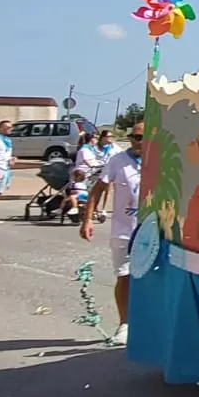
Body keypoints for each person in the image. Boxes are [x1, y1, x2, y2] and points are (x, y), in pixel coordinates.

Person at [80, 121, 143, 346]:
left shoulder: (161, 161)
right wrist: (87, 219)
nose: (139, 142)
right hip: (124, 229)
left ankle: (148, 325)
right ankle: (124, 324)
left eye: (143, 137)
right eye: (135, 137)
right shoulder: (118, 161)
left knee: (151, 279)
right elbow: (98, 189)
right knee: (124, 276)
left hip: (151, 231)